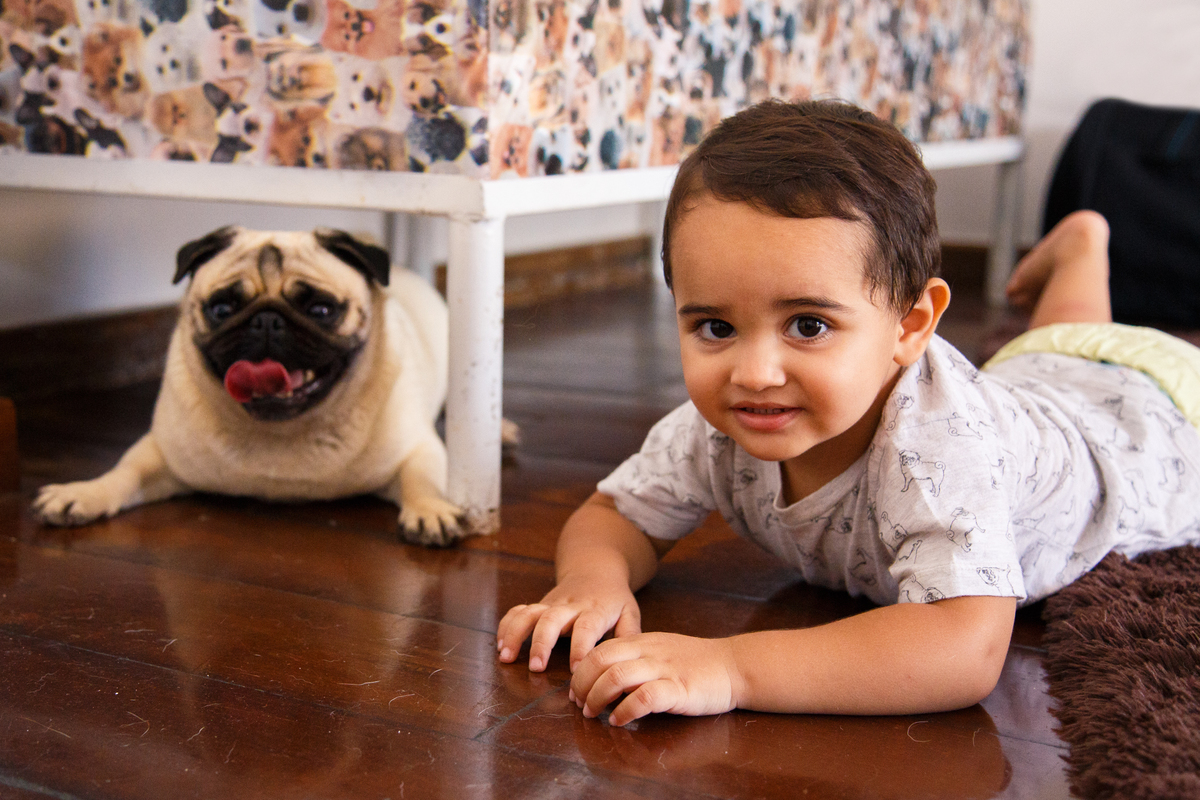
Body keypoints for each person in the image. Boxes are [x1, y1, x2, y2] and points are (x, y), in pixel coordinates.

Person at [495, 99, 1200, 726]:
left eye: (807, 325)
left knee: (1079, 362)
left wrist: (732, 668)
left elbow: (964, 648)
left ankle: (1085, 249)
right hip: (1041, 388)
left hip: (1151, 426)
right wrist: (593, 581)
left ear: (910, 326)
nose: (755, 372)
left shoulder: (937, 452)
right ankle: (1082, 249)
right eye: (715, 326)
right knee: (1053, 352)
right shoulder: (718, 426)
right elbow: (615, 514)